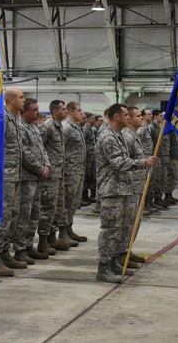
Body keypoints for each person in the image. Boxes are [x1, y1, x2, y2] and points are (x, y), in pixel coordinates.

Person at [94, 104, 157, 283]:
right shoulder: (108, 137)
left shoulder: (118, 135)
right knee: (110, 231)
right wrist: (143, 162)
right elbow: (119, 163)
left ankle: (114, 262)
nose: (128, 118)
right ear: (116, 117)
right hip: (112, 190)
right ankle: (103, 267)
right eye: (125, 115)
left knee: (120, 229)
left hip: (122, 189)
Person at [0, 87, 27, 276]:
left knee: (12, 216)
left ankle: (4, 252)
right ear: (11, 100)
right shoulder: (1, 118)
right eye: (21, 97)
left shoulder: (16, 119)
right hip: (2, 176)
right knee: (0, 217)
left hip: (15, 175)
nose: (24, 100)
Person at [13, 98, 50, 265]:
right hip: (26, 178)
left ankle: (29, 244)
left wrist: (46, 165)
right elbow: (24, 152)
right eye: (34, 110)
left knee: (35, 214)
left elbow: (42, 149)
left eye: (37, 109)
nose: (37, 112)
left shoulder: (34, 127)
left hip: (37, 178)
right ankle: (20, 249)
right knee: (24, 215)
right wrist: (39, 168)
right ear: (24, 112)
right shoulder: (20, 127)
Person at [40, 100, 72, 250]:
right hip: (50, 175)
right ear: (55, 112)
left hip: (59, 174)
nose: (66, 112)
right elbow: (40, 147)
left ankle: (52, 237)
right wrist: (45, 166)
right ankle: (43, 240)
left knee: (57, 208)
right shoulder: (48, 127)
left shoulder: (60, 127)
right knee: (47, 207)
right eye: (64, 109)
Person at [62, 101, 89, 243]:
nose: (81, 113)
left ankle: (69, 228)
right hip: (69, 172)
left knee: (74, 203)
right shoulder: (66, 128)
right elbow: (61, 150)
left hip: (78, 170)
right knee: (66, 203)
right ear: (70, 111)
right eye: (79, 110)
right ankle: (62, 232)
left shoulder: (77, 128)